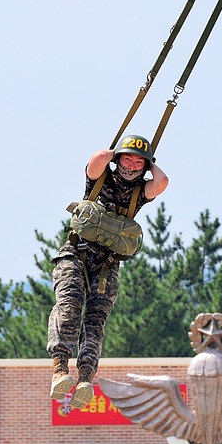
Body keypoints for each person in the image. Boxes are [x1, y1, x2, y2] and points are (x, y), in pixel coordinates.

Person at [47, 134, 169, 409]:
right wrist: (117, 153)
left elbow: (162, 183)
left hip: (106, 265)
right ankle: (60, 370)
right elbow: (98, 158)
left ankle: (85, 378)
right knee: (68, 308)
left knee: (95, 321)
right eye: (128, 158)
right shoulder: (100, 179)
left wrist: (149, 163)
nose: (133, 165)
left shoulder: (139, 193)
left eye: (139, 161)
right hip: (75, 256)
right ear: (118, 159)